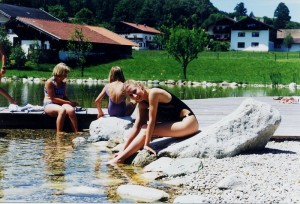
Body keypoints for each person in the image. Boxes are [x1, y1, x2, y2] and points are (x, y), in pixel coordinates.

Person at [108, 80, 199, 164]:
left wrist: (147, 144)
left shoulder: (154, 93)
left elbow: (152, 120)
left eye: (135, 91)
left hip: (188, 123)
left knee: (145, 129)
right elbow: (137, 126)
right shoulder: (142, 104)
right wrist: (122, 150)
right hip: (178, 125)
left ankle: (120, 160)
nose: (134, 96)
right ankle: (121, 156)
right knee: (143, 127)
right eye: (131, 95)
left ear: (140, 86)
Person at [43, 62, 79, 135]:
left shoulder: (63, 82)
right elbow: (53, 98)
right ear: (59, 72)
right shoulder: (50, 82)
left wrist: (71, 102)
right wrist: (68, 103)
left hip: (61, 103)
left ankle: (76, 131)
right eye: (65, 73)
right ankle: (59, 132)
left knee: (71, 110)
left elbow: (64, 96)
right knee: (62, 110)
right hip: (49, 103)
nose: (66, 75)